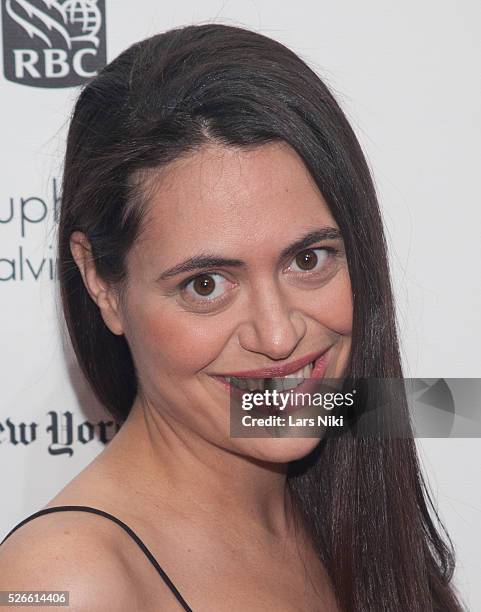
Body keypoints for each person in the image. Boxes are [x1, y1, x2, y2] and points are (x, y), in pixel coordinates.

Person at [0, 23, 465, 612]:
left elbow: (447, 405)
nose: (278, 335)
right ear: (102, 283)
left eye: (308, 259)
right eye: (205, 284)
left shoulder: (349, 492)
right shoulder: (63, 586)